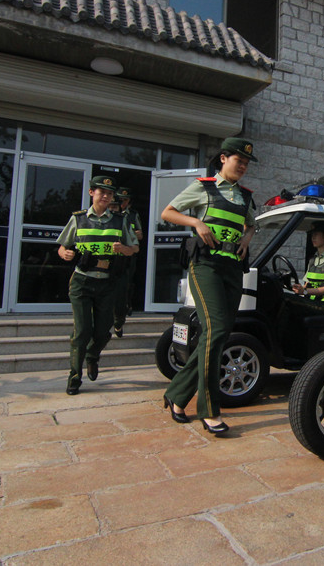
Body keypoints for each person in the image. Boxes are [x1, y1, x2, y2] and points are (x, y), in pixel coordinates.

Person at [160, 137, 258, 435]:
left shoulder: (245, 196)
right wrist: (196, 223)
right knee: (215, 330)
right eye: (238, 160)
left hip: (232, 268)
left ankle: (177, 394)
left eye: (246, 163)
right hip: (205, 266)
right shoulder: (204, 187)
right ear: (223, 158)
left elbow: (252, 224)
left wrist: (246, 238)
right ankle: (209, 409)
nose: (242, 166)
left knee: (218, 334)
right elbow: (168, 212)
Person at [56, 175, 139, 395]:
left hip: (108, 282)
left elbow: (135, 248)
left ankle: (92, 356)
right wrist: (64, 253)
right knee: (82, 331)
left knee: (103, 331)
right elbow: (62, 246)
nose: (106, 196)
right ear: (91, 192)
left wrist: (124, 249)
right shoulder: (78, 219)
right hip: (82, 281)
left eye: (109, 194)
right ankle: (74, 378)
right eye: (102, 192)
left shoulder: (120, 221)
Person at [111, 186, 144, 338]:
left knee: (124, 288)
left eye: (125, 200)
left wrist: (130, 237)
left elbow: (139, 236)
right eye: (120, 200)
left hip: (126, 258)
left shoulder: (131, 216)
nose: (122, 203)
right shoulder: (108, 217)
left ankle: (120, 317)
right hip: (108, 260)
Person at [291, 220, 324, 303]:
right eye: (312, 234)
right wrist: (299, 289)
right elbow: (307, 284)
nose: (313, 237)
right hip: (310, 302)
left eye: (316, 234)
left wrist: (305, 291)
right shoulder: (313, 259)